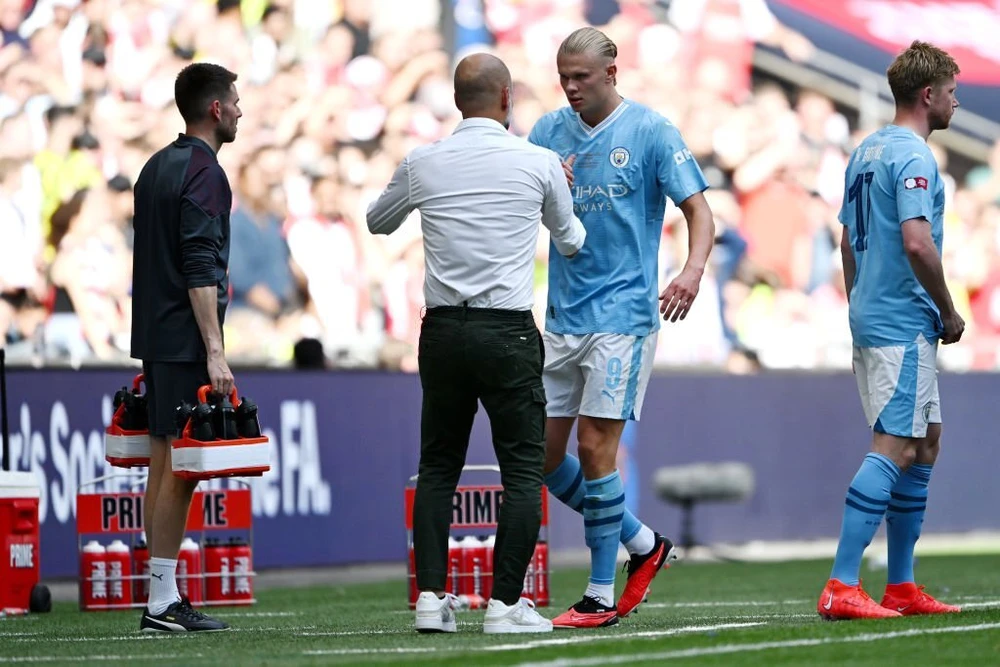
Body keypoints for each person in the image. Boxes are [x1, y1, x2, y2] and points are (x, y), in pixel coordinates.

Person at [367, 53, 586, 634]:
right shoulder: (537, 162)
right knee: (520, 470)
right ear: (507, 98)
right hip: (507, 332)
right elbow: (571, 242)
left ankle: (431, 600)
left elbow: (377, 221)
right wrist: (557, 187)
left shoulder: (423, 161)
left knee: (438, 466)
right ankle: (504, 605)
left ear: (458, 100)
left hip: (442, 331)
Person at [527, 27, 716, 628]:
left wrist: (690, 270)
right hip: (561, 315)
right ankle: (643, 544)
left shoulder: (652, 132)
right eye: (564, 77)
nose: (571, 87)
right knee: (545, 457)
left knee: (595, 448)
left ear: (611, 72)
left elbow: (699, 211)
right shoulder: (546, 132)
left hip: (625, 316)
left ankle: (600, 594)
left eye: (581, 76)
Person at [817, 40, 964, 621]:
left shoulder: (866, 150)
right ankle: (842, 583)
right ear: (929, 95)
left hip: (880, 314)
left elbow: (848, 241)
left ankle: (900, 585)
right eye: (951, 92)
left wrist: (859, 303)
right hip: (902, 321)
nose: (955, 101)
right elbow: (916, 241)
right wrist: (948, 310)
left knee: (925, 441)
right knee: (896, 444)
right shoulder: (914, 156)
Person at [130, 62, 242, 633]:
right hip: (182, 337)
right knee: (177, 472)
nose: (241, 110)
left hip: (155, 334)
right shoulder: (204, 171)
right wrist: (215, 350)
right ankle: (160, 602)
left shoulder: (154, 167)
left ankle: (160, 594)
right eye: (236, 101)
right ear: (216, 109)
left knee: (160, 467)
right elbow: (201, 265)